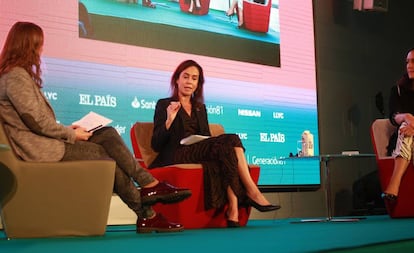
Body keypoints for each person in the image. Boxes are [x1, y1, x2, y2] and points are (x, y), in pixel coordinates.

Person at [0, 21, 191, 234]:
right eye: (39, 45)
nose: (41, 50)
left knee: (106, 133)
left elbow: (33, 120)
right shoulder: (16, 76)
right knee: (105, 154)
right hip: (38, 150)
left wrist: (69, 129)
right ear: (28, 46)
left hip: (45, 142)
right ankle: (148, 206)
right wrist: (70, 134)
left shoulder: (15, 75)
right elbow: (34, 121)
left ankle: (148, 193)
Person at [149, 59, 280, 228]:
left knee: (226, 150)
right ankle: (251, 191)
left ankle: (233, 208)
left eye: (194, 78)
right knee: (231, 139)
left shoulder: (199, 108)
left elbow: (206, 138)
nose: (189, 82)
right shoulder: (164, 104)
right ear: (177, 79)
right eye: (186, 77)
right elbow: (156, 144)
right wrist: (169, 120)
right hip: (176, 153)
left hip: (196, 150)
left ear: (198, 83)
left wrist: (203, 141)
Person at [383, 48, 414, 202]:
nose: (409, 65)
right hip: (402, 140)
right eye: (407, 62)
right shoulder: (398, 90)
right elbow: (393, 117)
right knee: (404, 128)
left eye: (413, 62)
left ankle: (393, 186)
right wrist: (407, 117)